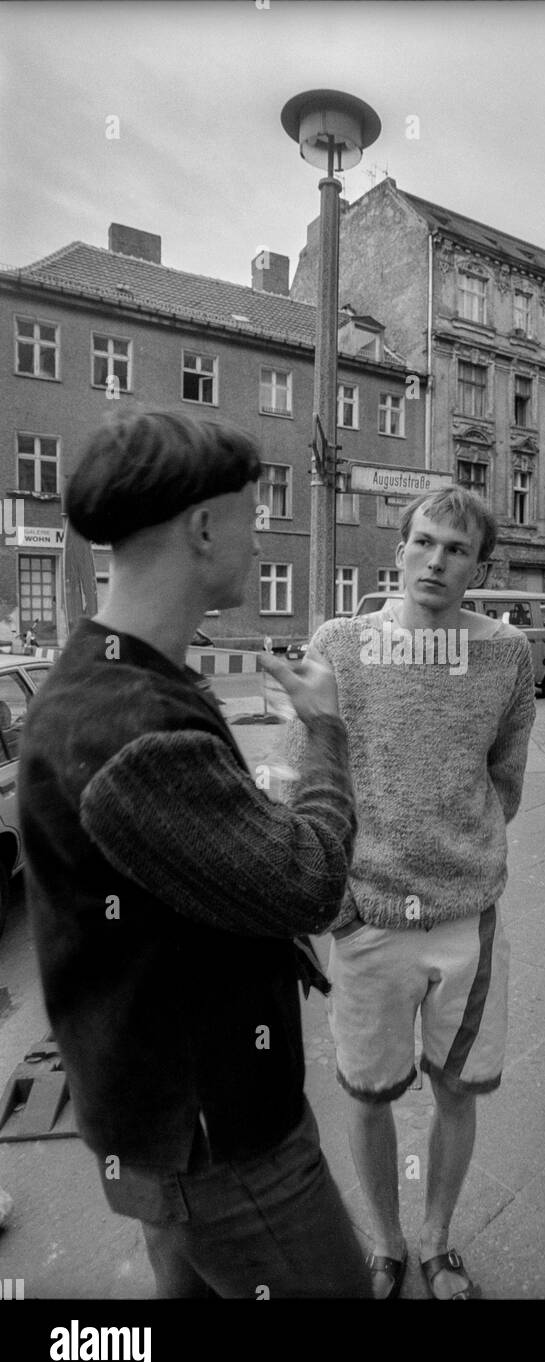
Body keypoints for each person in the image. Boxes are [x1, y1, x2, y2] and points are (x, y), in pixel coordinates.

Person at [19, 410, 370, 1299]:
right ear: (204, 527)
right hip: (219, 1141)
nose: (261, 542)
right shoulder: (132, 723)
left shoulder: (115, 675)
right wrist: (327, 731)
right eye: (255, 516)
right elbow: (310, 882)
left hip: (163, 1130)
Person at [289, 487, 536, 1299]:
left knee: (458, 1091)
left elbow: (505, 779)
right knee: (368, 1095)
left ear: (481, 566)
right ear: (398, 549)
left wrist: (461, 852)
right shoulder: (340, 644)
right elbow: (304, 777)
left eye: (457, 549)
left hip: (466, 920)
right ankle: (388, 1244)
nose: (436, 560)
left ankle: (436, 1241)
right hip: (366, 919)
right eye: (424, 542)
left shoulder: (506, 654)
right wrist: (336, 900)